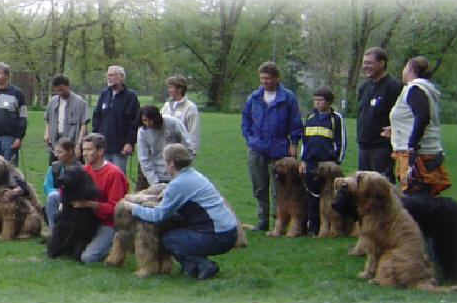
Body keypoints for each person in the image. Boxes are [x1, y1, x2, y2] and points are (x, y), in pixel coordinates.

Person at [127, 144, 239, 280]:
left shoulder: (179, 183)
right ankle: (192, 268)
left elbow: (158, 215)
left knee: (169, 240)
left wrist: (133, 208)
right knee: (177, 233)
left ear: (171, 163)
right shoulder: (192, 175)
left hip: (219, 236)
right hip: (228, 231)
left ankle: (203, 265)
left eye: (165, 161)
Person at [240, 61, 303, 231]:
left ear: (276, 78)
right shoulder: (254, 97)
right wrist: (250, 139)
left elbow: (295, 122)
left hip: (279, 148)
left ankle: (279, 221)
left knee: (279, 188)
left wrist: (294, 144)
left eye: (268, 78)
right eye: (262, 78)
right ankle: (262, 220)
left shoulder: (288, 97)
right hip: (256, 148)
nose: (264, 82)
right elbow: (245, 120)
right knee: (259, 187)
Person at [387, 56, 450, 197]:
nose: (402, 72)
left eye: (404, 68)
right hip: (423, 152)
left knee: (416, 200)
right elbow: (415, 117)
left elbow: (422, 116)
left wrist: (412, 144)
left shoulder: (415, 88)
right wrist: (395, 130)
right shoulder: (424, 89)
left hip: (418, 156)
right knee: (419, 200)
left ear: (409, 69)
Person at [67, 133, 129, 263]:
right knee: (53, 197)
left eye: (89, 150)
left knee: (87, 258)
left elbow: (115, 208)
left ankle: (112, 245)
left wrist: (89, 204)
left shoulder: (114, 174)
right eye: (83, 149)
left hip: (108, 223)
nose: (84, 153)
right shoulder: (84, 170)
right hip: (86, 219)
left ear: (100, 151)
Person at [299, 86, 345, 235]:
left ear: (329, 102)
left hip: (327, 163)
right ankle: (313, 227)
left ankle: (333, 226)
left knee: (329, 195)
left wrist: (336, 161)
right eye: (315, 100)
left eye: (320, 100)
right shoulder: (310, 117)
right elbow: (305, 141)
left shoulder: (336, 118)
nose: (317, 103)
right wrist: (303, 160)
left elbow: (341, 141)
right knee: (312, 195)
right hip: (311, 161)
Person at [356, 47, 401, 183]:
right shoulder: (364, 87)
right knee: (363, 187)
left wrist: (394, 130)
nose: (366, 66)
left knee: (381, 187)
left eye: (369, 63)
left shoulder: (393, 87)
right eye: (364, 63)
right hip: (363, 146)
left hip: (381, 148)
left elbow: (402, 116)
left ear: (382, 63)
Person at [91, 65, 140, 177]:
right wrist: (94, 139)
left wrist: (129, 142)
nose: (109, 78)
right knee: (102, 176)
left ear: (121, 77)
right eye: (108, 75)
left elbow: (134, 122)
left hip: (120, 147)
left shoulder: (130, 96)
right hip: (103, 146)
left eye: (112, 75)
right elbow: (96, 117)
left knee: (117, 176)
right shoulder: (104, 94)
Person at [137, 104, 193, 187]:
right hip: (156, 172)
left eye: (150, 120)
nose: (148, 123)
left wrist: (184, 167)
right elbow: (144, 158)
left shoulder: (172, 123)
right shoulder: (142, 131)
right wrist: (154, 182)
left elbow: (187, 144)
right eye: (145, 120)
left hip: (176, 171)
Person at [42, 74, 89, 164]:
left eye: (62, 90)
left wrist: (79, 144)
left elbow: (83, 124)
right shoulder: (52, 102)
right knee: (54, 168)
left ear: (68, 86)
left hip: (72, 141)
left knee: (73, 170)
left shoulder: (80, 102)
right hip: (56, 141)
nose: (60, 93)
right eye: (57, 90)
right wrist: (47, 133)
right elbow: (48, 119)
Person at [41, 138, 81, 228]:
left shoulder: (80, 169)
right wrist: (60, 197)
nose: (56, 155)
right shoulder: (53, 168)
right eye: (55, 152)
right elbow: (47, 187)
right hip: (56, 198)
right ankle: (54, 231)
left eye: (60, 152)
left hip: (74, 200)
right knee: (52, 196)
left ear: (70, 152)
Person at [160, 75, 200, 157]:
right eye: (168, 87)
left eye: (171, 87)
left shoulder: (190, 107)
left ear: (180, 89)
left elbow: (193, 131)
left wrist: (191, 152)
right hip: (166, 150)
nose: (169, 90)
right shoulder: (167, 105)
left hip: (182, 151)